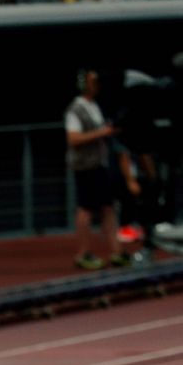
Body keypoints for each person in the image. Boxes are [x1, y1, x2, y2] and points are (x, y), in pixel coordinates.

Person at [66, 68, 123, 270]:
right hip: (85, 165)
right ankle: (82, 253)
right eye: (92, 82)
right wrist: (101, 132)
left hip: (99, 163)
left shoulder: (94, 105)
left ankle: (116, 251)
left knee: (108, 206)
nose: (96, 85)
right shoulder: (76, 108)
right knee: (86, 208)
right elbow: (73, 138)